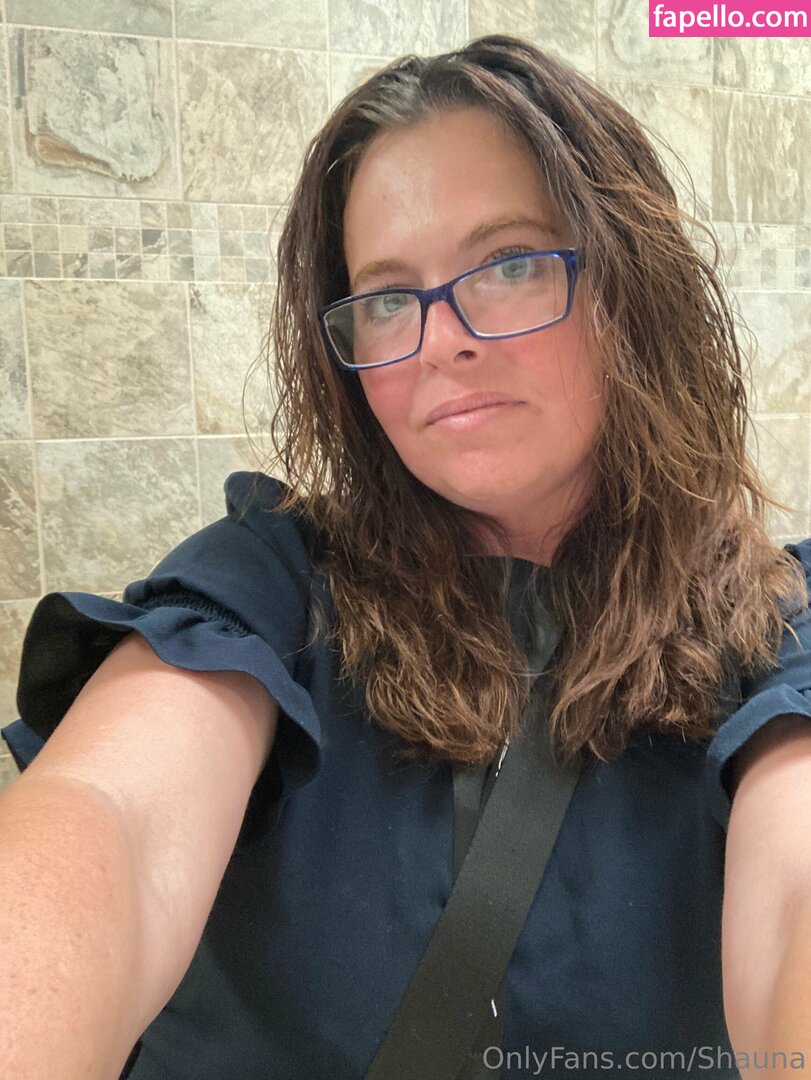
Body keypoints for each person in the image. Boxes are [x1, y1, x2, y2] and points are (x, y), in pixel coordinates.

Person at [1, 33, 810, 1080]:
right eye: (386, 298)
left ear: (630, 289)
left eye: (510, 264)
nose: (439, 340)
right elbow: (109, 819)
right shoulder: (267, 591)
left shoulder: (769, 634)